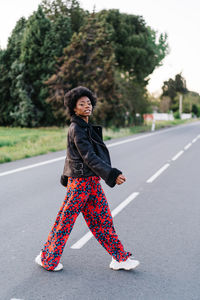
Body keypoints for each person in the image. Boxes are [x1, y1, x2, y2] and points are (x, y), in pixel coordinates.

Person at [35, 86, 140, 271]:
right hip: (80, 183)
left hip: (91, 182)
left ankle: (120, 258)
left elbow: (71, 154)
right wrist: (112, 174)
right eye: (81, 104)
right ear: (74, 108)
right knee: (65, 221)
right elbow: (88, 157)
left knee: (103, 221)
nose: (87, 106)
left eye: (89, 103)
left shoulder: (86, 127)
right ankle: (48, 259)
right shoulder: (77, 128)